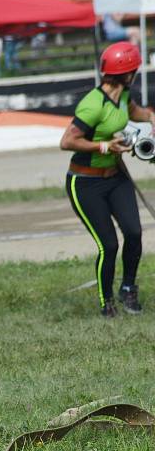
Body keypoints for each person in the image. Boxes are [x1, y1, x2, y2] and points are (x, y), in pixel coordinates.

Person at [59, 41, 152, 317]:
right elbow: (67, 141)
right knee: (108, 245)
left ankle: (128, 290)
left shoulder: (122, 96)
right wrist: (103, 146)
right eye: (134, 69)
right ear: (127, 73)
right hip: (85, 184)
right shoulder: (93, 104)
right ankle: (106, 302)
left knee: (134, 233)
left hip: (116, 177)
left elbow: (135, 112)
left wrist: (151, 118)